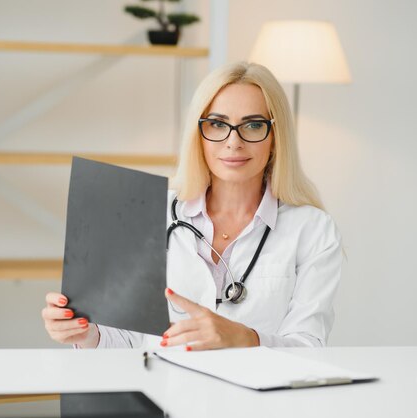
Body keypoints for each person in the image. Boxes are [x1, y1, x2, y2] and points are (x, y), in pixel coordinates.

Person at [42, 61, 342, 350]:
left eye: (252, 125)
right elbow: (127, 341)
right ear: (198, 134)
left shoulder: (313, 229)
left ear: (275, 137)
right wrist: (84, 332)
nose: (233, 142)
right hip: (163, 396)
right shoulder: (150, 211)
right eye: (216, 124)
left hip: (259, 400)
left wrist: (244, 338)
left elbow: (309, 345)